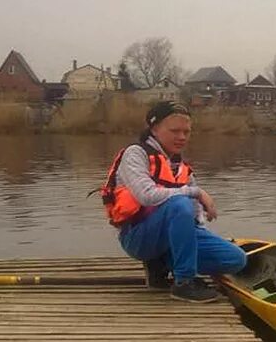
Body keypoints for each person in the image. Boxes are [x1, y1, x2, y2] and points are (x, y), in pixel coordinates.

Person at [98, 101, 246, 302]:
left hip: (173, 234)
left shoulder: (181, 166)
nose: (182, 137)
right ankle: (184, 282)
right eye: (175, 131)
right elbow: (146, 195)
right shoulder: (135, 154)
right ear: (154, 129)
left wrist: (201, 233)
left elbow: (194, 217)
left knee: (236, 259)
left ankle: (162, 264)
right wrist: (197, 192)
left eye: (187, 131)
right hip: (138, 236)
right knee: (181, 202)